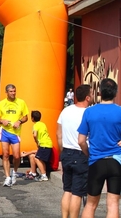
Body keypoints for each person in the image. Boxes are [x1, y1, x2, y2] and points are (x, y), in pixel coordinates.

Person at [78, 78, 121, 218]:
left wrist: (88, 154)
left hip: (96, 161)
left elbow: (81, 141)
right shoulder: (120, 111)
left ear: (99, 92)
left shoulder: (89, 112)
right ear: (115, 93)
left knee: (91, 204)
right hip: (116, 161)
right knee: (113, 203)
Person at [57, 84, 92, 218]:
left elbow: (58, 134)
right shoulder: (88, 113)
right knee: (77, 193)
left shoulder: (66, 110)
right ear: (87, 97)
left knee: (67, 190)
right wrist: (87, 154)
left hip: (66, 151)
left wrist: (62, 151)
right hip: (81, 152)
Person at [0, 84, 29, 187]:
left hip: (15, 133)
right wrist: (2, 120)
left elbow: (26, 117)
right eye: (11, 91)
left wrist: (19, 121)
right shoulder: (1, 104)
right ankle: (7, 177)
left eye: (14, 91)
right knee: (5, 155)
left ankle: (14, 172)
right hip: (5, 131)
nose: (13, 93)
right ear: (7, 92)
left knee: (17, 156)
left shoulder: (21, 102)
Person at [31, 110, 52, 182]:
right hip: (48, 143)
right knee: (41, 159)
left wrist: (36, 141)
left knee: (37, 158)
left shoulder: (35, 125)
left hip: (43, 144)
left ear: (32, 118)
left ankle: (44, 175)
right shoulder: (43, 124)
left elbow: (35, 135)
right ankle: (44, 173)